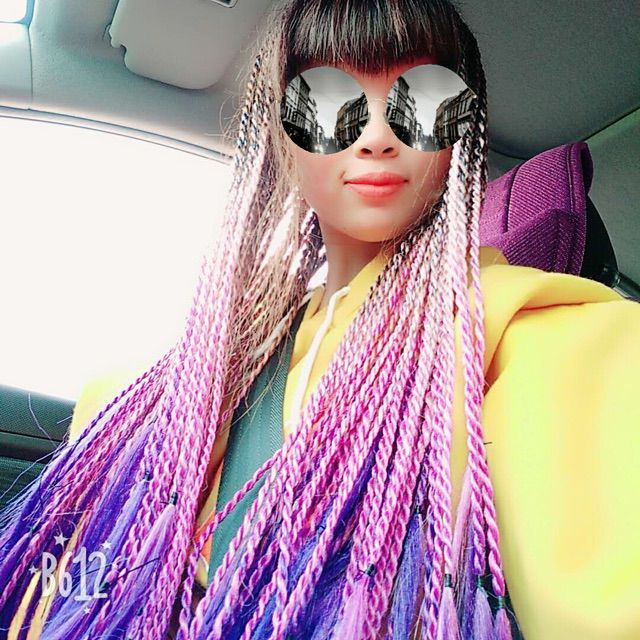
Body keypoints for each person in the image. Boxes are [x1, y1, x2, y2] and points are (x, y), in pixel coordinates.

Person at [1, 1, 639, 638]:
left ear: (459, 136)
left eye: (423, 100)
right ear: (279, 132)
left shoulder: (551, 342)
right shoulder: (167, 387)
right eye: (330, 100)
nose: (378, 135)